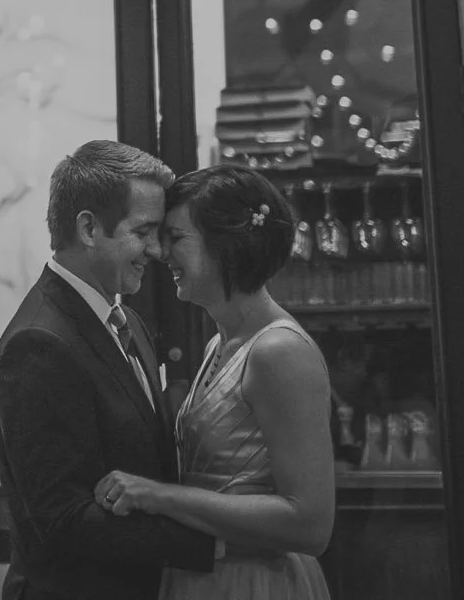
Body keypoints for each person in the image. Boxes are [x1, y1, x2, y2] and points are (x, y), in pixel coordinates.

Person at [93, 164, 335, 600]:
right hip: (202, 573)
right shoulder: (217, 344)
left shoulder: (278, 352)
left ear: (227, 246)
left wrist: (160, 497)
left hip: (255, 582)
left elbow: (310, 524)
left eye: (177, 238)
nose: (161, 253)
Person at [0, 140, 217, 599]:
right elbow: (65, 520)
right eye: (143, 232)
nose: (156, 250)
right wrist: (219, 542)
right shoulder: (38, 343)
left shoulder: (125, 320)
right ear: (89, 228)